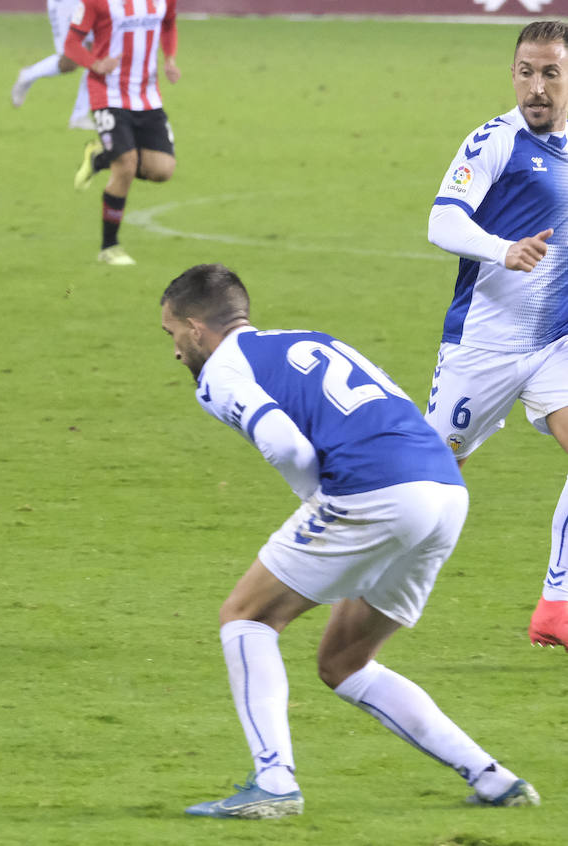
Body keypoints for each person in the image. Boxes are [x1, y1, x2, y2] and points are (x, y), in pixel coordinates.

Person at [161, 264, 538, 818]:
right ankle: (493, 778)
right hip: (444, 491)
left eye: (171, 334)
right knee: (345, 662)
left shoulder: (221, 373)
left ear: (196, 328)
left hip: (374, 492)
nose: (174, 352)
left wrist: (319, 502)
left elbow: (286, 447)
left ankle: (273, 783)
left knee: (246, 617)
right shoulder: (311, 338)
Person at [423, 20, 568, 648]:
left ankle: (555, 609)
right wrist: (501, 249)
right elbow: (440, 221)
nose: (537, 87)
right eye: (526, 72)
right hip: (480, 350)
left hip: (553, 345)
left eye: (551, 73)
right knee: (421, 486)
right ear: (513, 75)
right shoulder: (494, 142)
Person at [62, 0, 179, 267]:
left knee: (163, 170)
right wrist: (95, 63)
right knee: (125, 166)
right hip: (108, 95)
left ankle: (99, 158)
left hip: (148, 98)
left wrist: (170, 59)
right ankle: (109, 246)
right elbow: (71, 44)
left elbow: (169, 23)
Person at [9, 0, 95, 131]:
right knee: (69, 61)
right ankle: (28, 75)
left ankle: (80, 116)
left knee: (97, 53)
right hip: (67, 4)